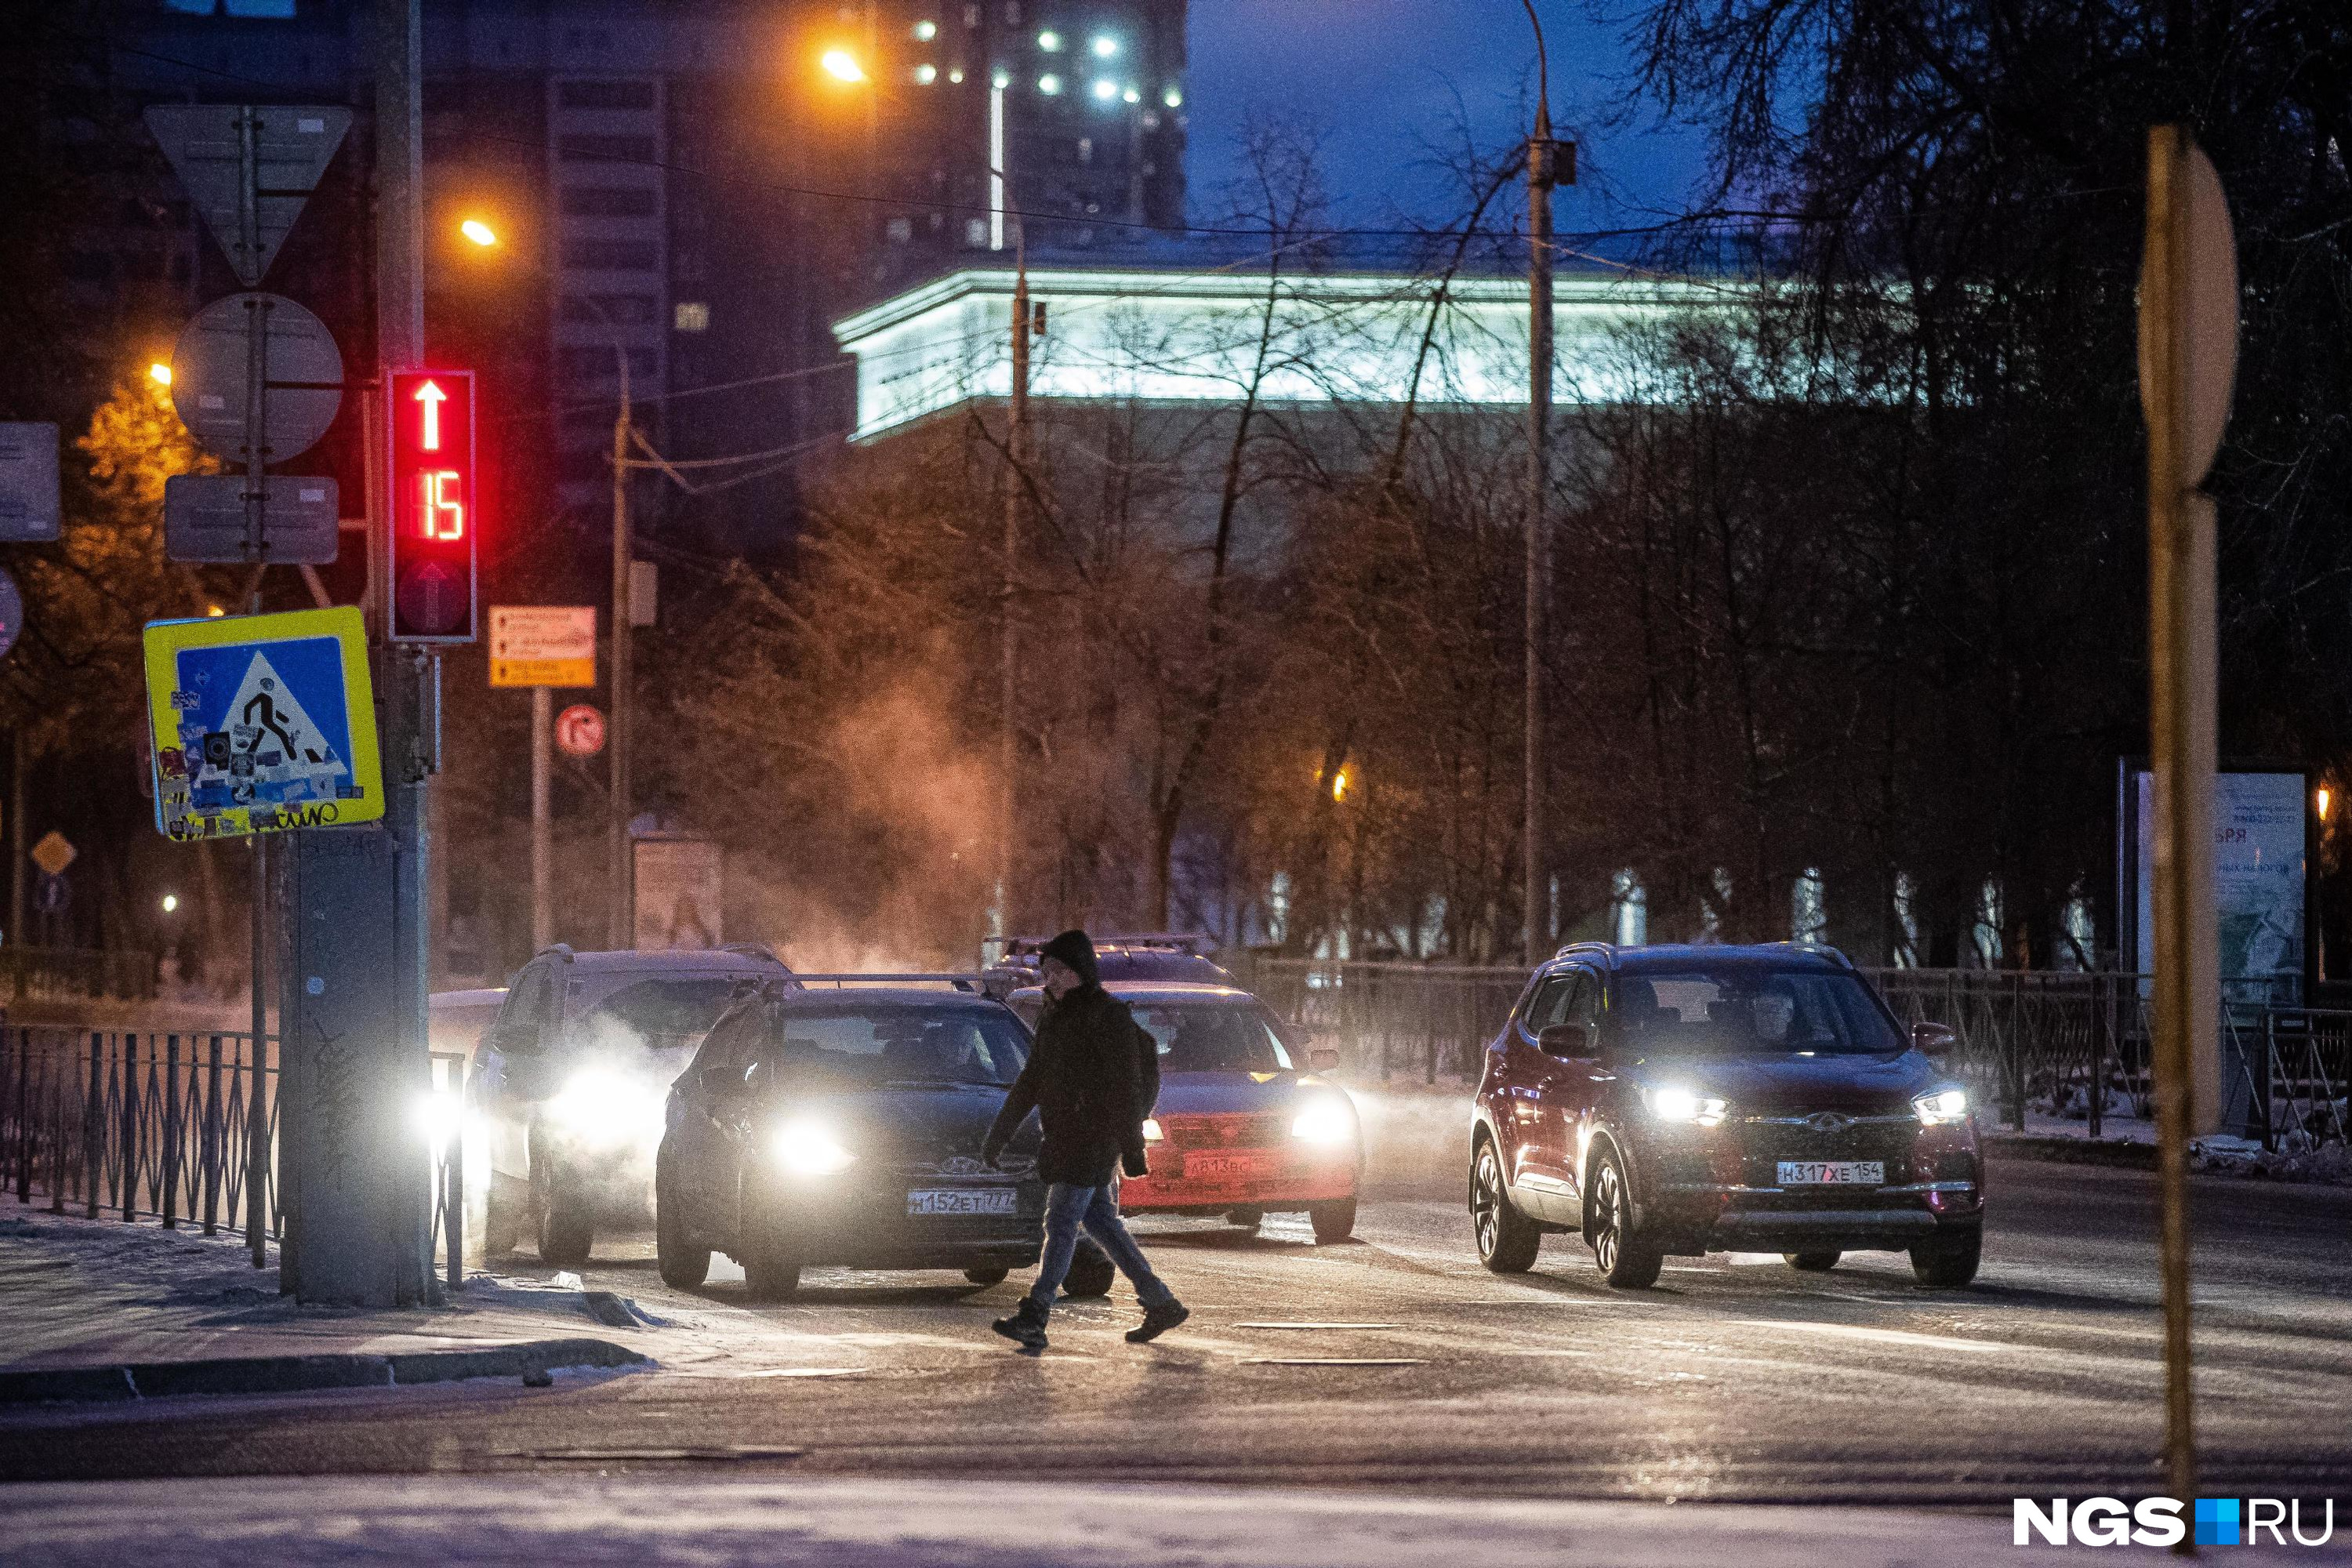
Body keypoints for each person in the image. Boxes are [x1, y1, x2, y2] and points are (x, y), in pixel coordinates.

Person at [981, 928, 1187, 1352]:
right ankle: (1160, 1300)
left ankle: (1036, 1314)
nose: (1050, 977)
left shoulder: (1107, 1016)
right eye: (1047, 969)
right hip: (1066, 1138)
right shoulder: (1053, 1016)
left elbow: (1128, 1086)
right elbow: (1032, 1079)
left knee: (1059, 1224)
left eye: (1058, 969)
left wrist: (1131, 1148)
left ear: (1079, 971)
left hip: (1094, 1140)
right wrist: (998, 1135)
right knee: (1102, 1225)